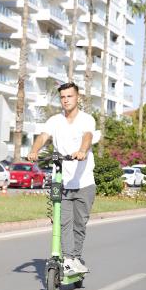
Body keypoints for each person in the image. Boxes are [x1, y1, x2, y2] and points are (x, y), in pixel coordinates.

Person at [28, 82, 96, 275]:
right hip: (62, 182)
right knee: (63, 221)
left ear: (78, 98)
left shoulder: (86, 119)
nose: (66, 100)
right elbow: (43, 137)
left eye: (70, 96)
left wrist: (83, 151)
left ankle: (75, 257)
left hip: (84, 183)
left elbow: (88, 136)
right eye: (63, 97)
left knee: (79, 223)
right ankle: (68, 259)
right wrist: (34, 150)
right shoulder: (54, 121)